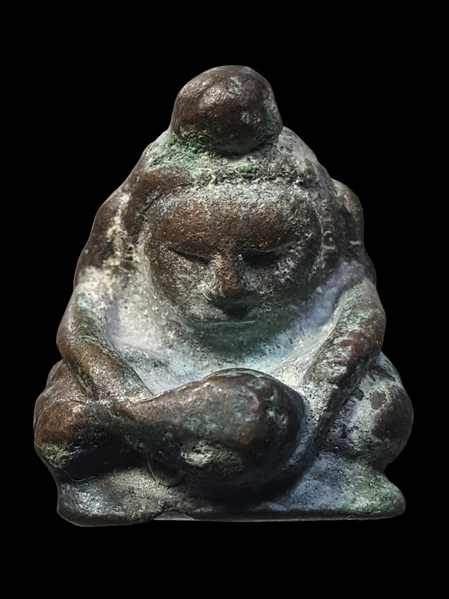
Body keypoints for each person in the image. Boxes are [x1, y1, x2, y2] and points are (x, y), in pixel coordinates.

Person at [34, 66, 413, 525]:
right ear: (139, 249)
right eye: (191, 258)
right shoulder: (124, 218)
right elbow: (82, 321)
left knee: (377, 417)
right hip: (158, 364)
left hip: (294, 363)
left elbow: (360, 314)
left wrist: (308, 421)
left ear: (321, 250)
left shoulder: (334, 212)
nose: (227, 287)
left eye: (266, 258)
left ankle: (232, 475)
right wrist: (129, 401)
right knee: (66, 426)